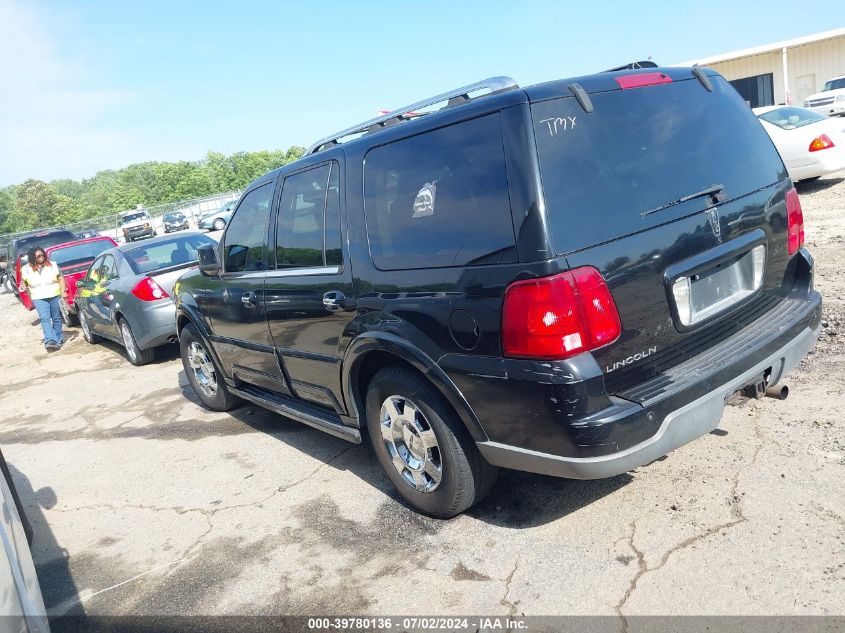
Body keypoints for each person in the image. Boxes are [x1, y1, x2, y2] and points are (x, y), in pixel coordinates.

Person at [19, 247, 67, 352]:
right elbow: (24, 282)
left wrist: (63, 291)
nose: (42, 257)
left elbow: (61, 278)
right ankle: (50, 340)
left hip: (54, 295)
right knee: (45, 318)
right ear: (33, 258)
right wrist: (23, 285)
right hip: (38, 297)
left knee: (56, 318)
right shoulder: (25, 269)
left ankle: (58, 339)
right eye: (38, 256)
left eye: (42, 255)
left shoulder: (53, 265)